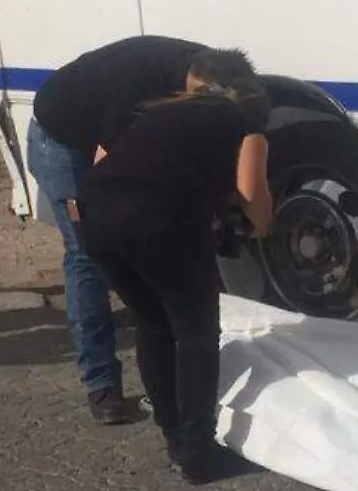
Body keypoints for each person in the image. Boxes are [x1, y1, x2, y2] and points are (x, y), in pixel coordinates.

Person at [29, 37, 259, 425]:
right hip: (64, 140)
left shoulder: (215, 73)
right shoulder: (135, 82)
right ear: (197, 87)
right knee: (88, 255)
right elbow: (108, 173)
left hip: (109, 144)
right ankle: (101, 383)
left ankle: (169, 379)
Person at [76, 80, 273, 483]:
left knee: (152, 324)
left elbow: (109, 161)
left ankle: (174, 438)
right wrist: (252, 222)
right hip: (156, 217)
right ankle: (200, 453)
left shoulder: (160, 113)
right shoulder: (244, 124)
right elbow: (255, 201)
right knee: (195, 333)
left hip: (95, 215)